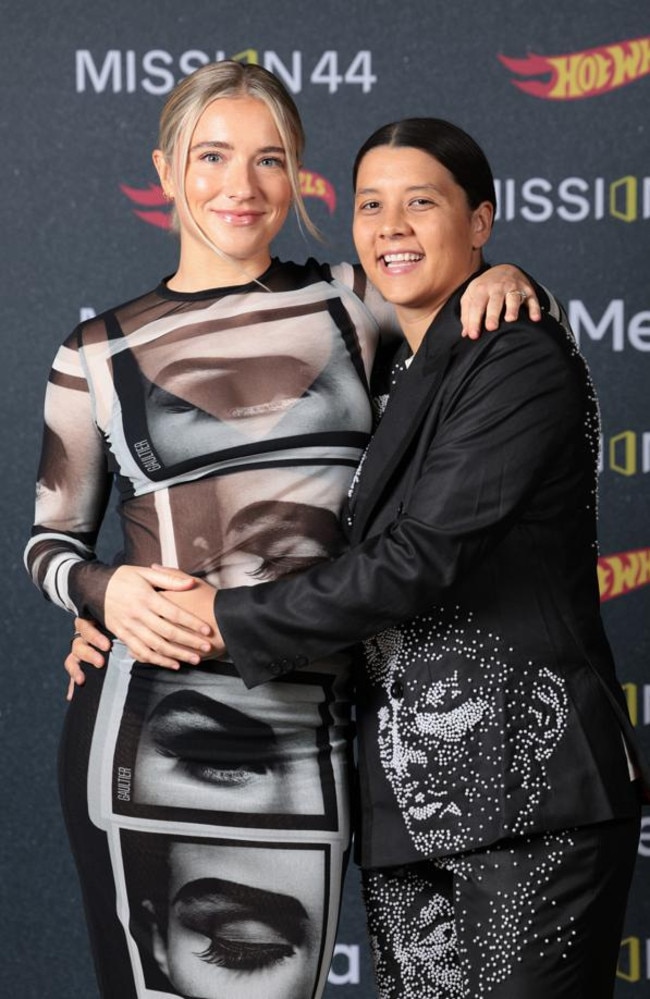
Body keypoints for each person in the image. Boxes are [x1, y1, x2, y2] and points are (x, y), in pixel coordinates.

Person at [75, 116, 645, 998]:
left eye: (422, 203)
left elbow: (417, 560)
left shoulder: (518, 357)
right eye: (372, 205)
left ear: (481, 221)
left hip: (528, 807)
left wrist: (217, 622)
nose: (391, 227)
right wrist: (111, 603)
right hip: (403, 813)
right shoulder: (385, 369)